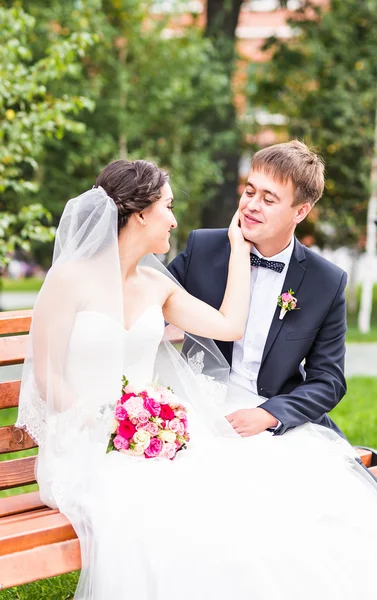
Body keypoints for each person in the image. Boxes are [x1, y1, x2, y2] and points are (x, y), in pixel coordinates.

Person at [17, 157, 377, 600]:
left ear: (300, 211)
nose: (251, 205)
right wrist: (108, 424)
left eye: (269, 198)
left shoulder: (323, 280)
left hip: (181, 423)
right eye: (250, 191)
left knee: (267, 506)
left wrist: (266, 415)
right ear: (141, 212)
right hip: (95, 436)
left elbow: (257, 340)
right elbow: (55, 369)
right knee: (197, 503)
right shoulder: (181, 254)